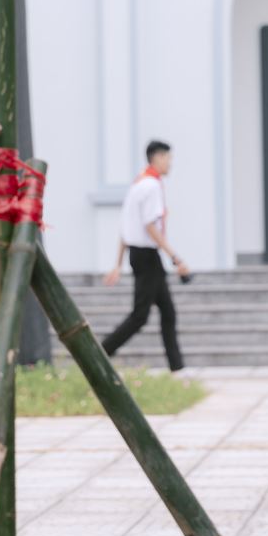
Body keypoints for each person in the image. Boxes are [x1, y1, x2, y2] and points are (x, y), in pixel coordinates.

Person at [101, 140, 189, 372]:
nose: (170, 163)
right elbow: (150, 226)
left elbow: (125, 228)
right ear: (157, 158)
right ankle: (100, 352)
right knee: (140, 316)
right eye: (168, 158)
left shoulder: (138, 184)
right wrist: (175, 257)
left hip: (140, 255)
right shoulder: (151, 186)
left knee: (167, 312)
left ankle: (177, 367)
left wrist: (118, 264)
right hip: (147, 256)